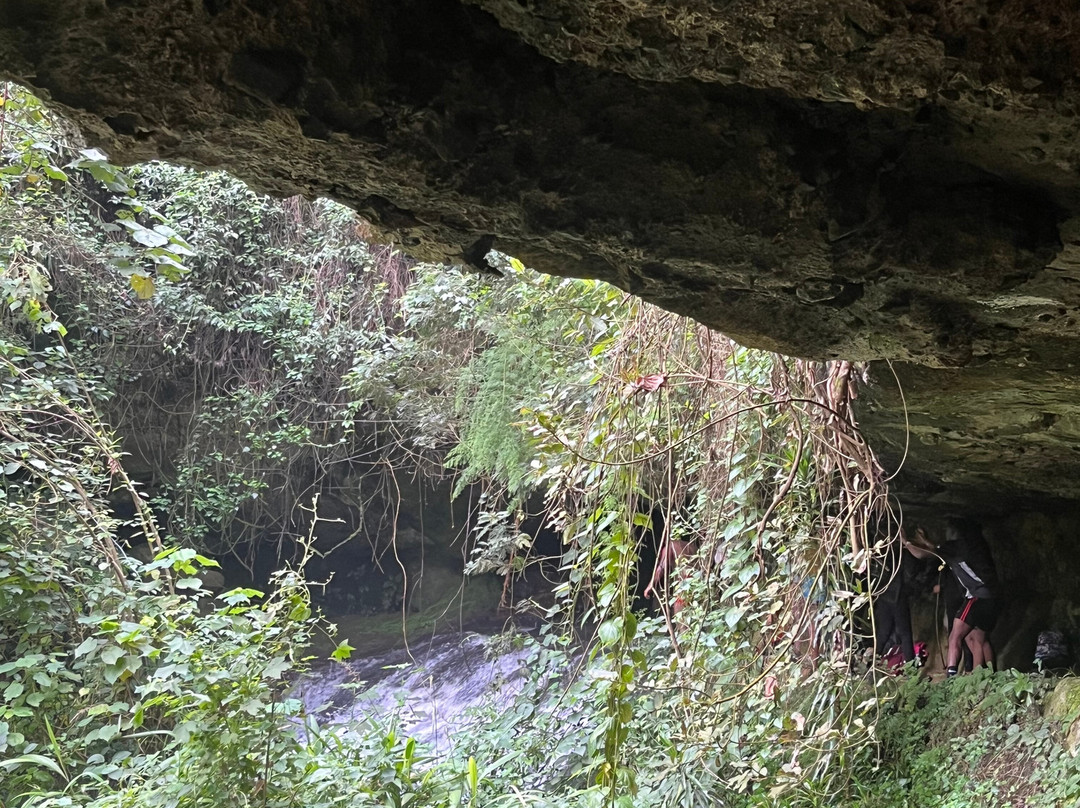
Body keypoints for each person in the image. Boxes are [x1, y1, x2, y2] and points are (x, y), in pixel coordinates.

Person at [904, 518, 999, 677]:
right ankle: (989, 676)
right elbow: (934, 549)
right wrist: (923, 541)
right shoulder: (975, 546)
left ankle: (954, 676)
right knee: (979, 639)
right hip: (992, 597)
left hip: (977, 597)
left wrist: (906, 542)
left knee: (956, 636)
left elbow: (925, 553)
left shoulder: (958, 547)